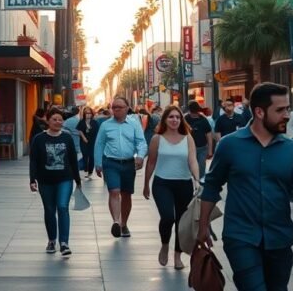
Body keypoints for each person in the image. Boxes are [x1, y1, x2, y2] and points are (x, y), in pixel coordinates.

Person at [198, 82, 293, 291]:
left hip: (279, 237)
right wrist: (202, 226)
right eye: (280, 110)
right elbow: (212, 186)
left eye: (287, 108)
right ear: (259, 112)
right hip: (240, 236)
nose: (287, 115)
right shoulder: (229, 145)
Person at [143, 105, 201, 269]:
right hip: (162, 183)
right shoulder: (157, 138)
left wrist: (197, 179)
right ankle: (164, 245)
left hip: (184, 183)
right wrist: (146, 184)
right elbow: (151, 162)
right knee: (168, 217)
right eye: (171, 117)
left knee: (182, 222)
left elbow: (193, 160)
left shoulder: (188, 137)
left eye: (177, 117)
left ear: (181, 120)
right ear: (165, 120)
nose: (175, 120)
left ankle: (177, 256)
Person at [29, 107, 82, 257]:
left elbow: (72, 160)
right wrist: (32, 180)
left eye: (60, 119)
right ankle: (52, 240)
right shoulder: (39, 139)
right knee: (49, 210)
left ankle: (64, 243)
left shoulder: (67, 138)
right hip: (45, 180)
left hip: (65, 179)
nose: (58, 122)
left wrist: (77, 179)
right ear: (48, 120)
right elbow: (33, 161)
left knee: (62, 207)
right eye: (54, 119)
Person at [95, 96, 148, 238]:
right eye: (114, 107)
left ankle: (124, 224)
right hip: (110, 162)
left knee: (126, 194)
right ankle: (116, 222)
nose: (116, 110)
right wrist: (98, 163)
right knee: (114, 191)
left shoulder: (134, 124)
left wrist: (140, 156)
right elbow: (99, 144)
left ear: (127, 108)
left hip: (128, 163)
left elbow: (141, 142)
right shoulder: (105, 125)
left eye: (119, 107)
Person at [184, 100, 213, 181]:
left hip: (202, 148)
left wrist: (210, 151)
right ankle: (193, 182)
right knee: (190, 167)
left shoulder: (203, 120)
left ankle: (199, 182)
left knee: (201, 166)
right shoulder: (185, 119)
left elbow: (209, 135)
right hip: (189, 148)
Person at [78, 106, 100, 178]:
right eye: (86, 113)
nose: (88, 114)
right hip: (84, 141)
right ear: (84, 114)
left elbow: (98, 132)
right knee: (85, 154)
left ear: (91, 114)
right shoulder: (81, 121)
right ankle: (85, 168)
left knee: (91, 156)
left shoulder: (95, 122)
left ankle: (90, 171)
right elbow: (80, 130)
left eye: (89, 113)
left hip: (93, 141)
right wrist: (83, 137)